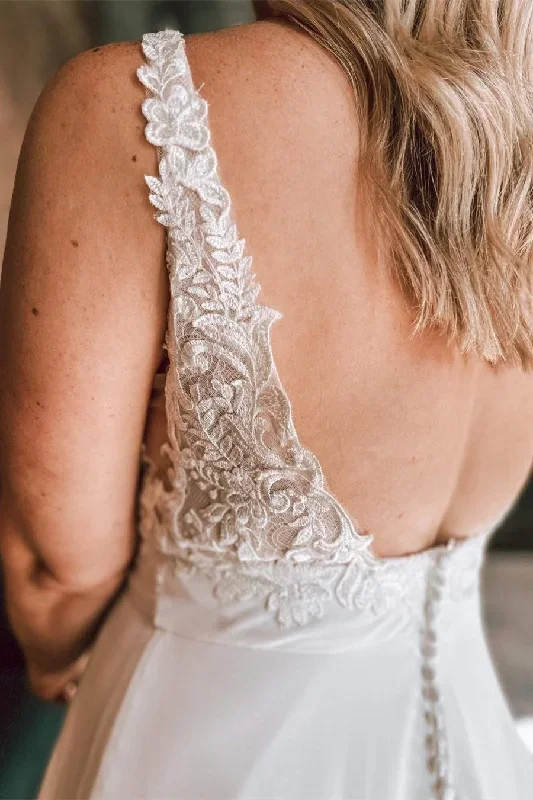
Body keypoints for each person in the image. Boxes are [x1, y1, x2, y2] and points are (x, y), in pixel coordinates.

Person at [1, 2, 533, 798]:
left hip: (206, 749)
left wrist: (57, 659)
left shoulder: (136, 109)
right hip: (464, 747)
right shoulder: (514, 134)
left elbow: (56, 567)